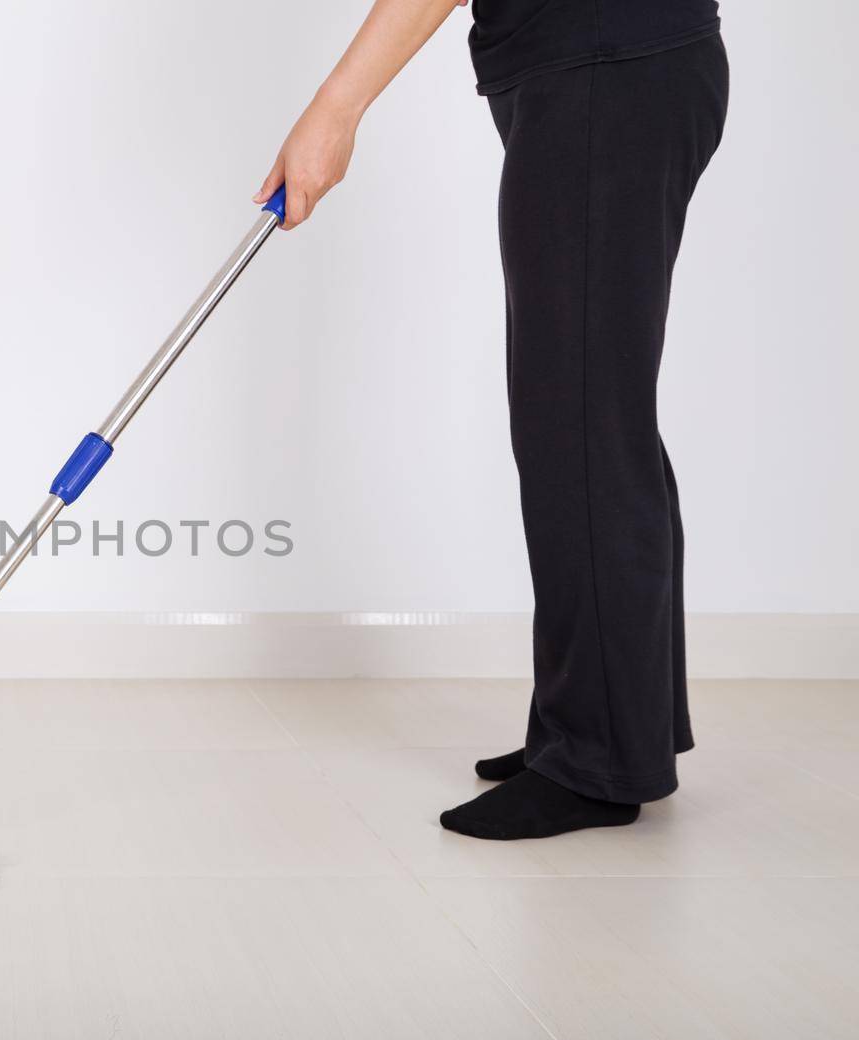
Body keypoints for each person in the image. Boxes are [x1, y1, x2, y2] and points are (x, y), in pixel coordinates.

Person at [257, 0, 728, 839]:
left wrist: (335, 110)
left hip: (603, 70)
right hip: (602, 69)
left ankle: (597, 757)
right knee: (591, 418)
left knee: (580, 425)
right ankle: (609, 727)